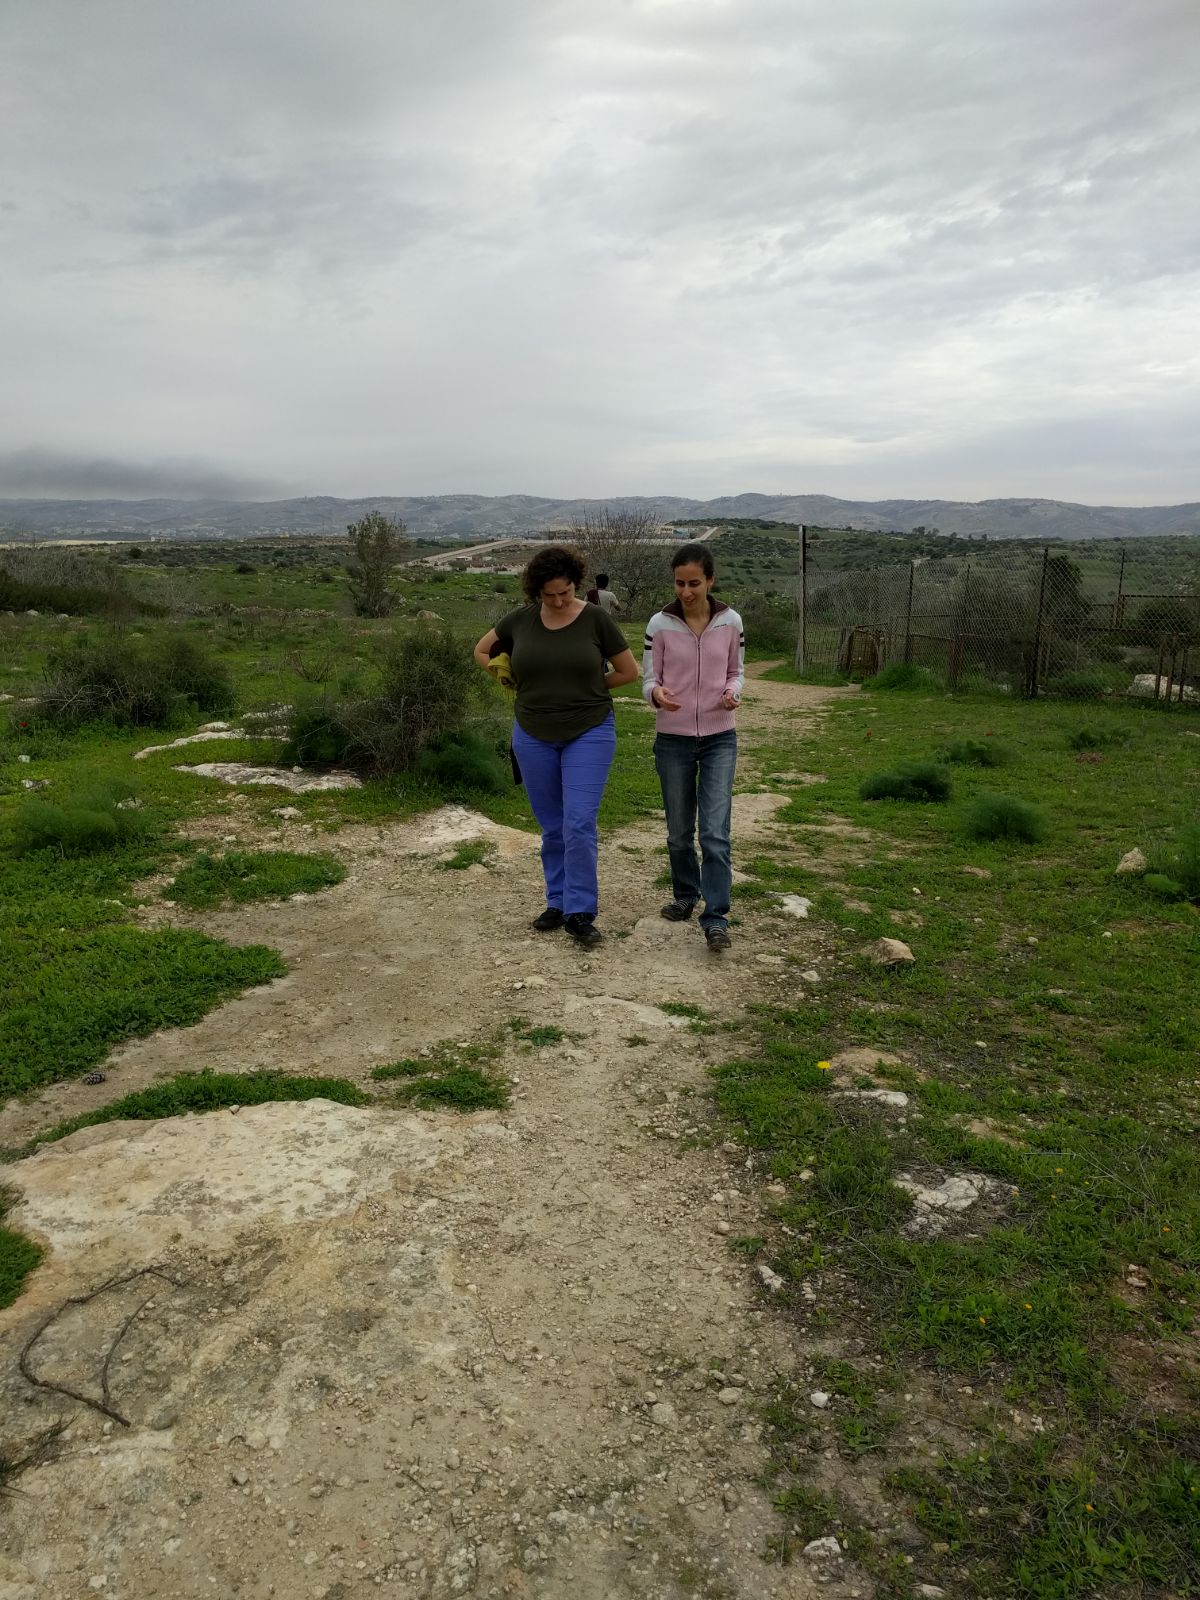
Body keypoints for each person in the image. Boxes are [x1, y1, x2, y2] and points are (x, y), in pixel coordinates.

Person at [474, 545, 638, 948]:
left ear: (575, 584)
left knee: (578, 821)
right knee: (552, 826)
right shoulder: (520, 620)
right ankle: (558, 901)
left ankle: (580, 912)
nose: (559, 601)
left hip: (589, 729)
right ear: (537, 591)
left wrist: (587, 688)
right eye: (550, 595)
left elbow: (628, 671)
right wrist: (503, 675)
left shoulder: (596, 618)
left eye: (565, 592)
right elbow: (481, 650)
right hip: (532, 732)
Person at [642, 542, 744, 951]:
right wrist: (656, 695)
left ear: (710, 580)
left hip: (720, 737)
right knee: (679, 832)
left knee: (715, 833)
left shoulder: (731, 621)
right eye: (680, 583)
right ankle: (686, 893)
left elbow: (737, 671)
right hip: (673, 739)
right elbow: (649, 679)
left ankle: (716, 917)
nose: (686, 591)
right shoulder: (659, 624)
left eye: (694, 583)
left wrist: (733, 692)